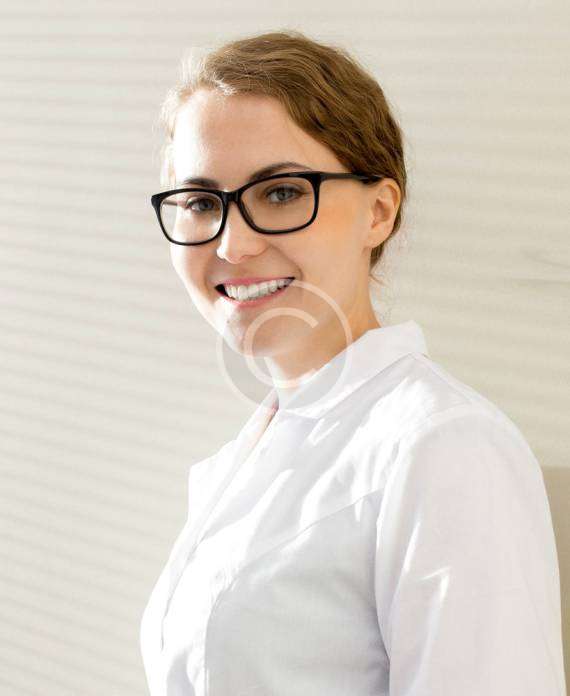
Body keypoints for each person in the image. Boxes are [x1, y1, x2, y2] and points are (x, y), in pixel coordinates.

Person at [140, 29, 566, 696]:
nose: (233, 244)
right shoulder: (268, 440)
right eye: (200, 202)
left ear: (378, 212)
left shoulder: (445, 448)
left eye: (281, 192)